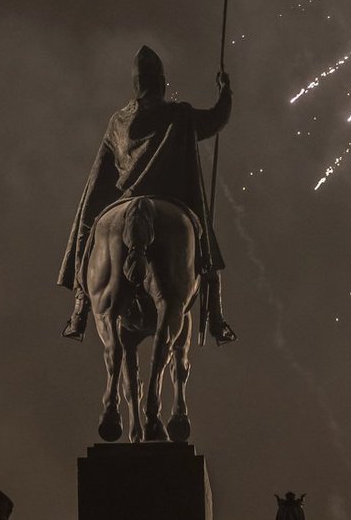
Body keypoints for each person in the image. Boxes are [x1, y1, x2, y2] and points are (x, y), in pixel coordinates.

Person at [57, 45, 233, 342]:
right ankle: (216, 319)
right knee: (205, 251)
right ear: (162, 83)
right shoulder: (180, 114)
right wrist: (225, 91)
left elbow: (100, 176)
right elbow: (216, 120)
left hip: (126, 199)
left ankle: (80, 308)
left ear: (137, 85)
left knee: (90, 233)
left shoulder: (118, 121)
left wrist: (93, 213)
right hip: (172, 199)